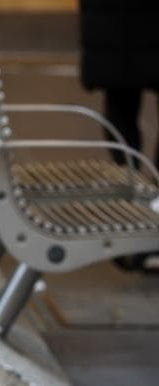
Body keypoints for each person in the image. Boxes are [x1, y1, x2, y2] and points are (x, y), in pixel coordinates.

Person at [79, 0, 159, 272]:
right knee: (120, 100)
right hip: (116, 20)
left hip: (114, 20)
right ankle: (141, 208)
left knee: (120, 101)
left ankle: (135, 203)